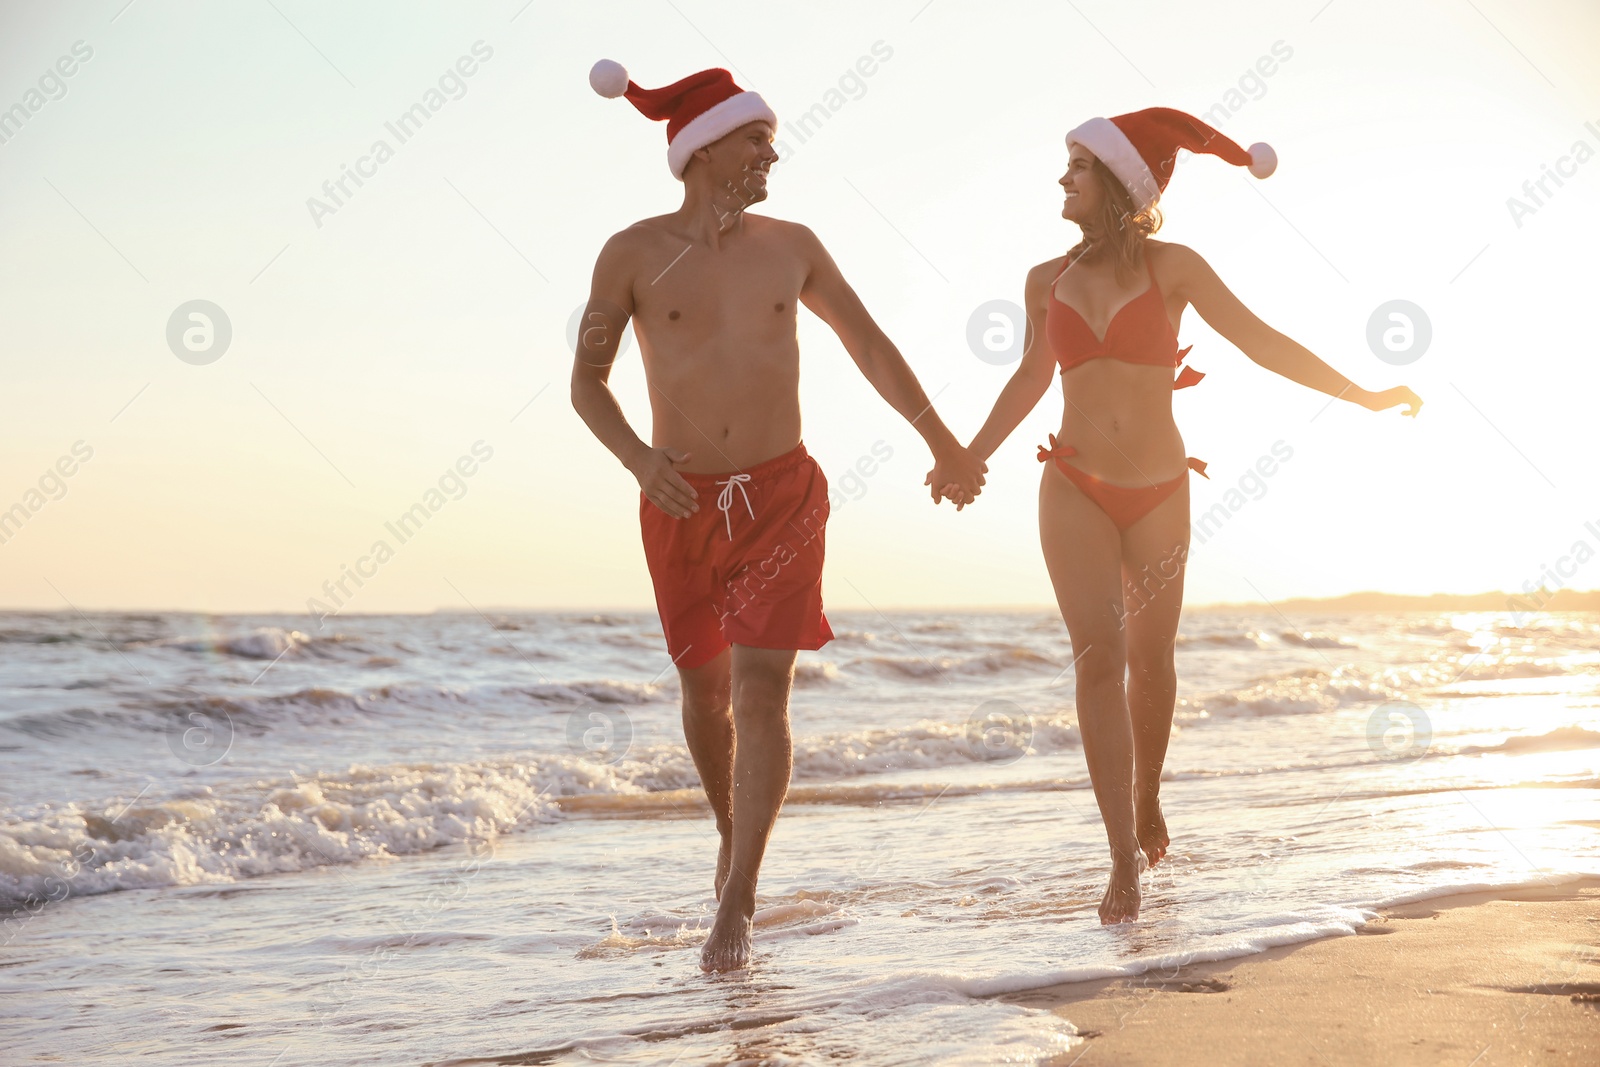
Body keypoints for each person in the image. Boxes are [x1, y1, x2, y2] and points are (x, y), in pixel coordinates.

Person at [939, 108, 1421, 923]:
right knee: (1098, 659)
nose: (1062, 178)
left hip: (1162, 489)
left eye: (1079, 167)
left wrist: (1366, 396)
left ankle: (1148, 795)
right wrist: (968, 453)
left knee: (1152, 661)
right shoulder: (1042, 281)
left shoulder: (1175, 270)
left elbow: (1263, 342)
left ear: (1121, 185)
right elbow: (1030, 379)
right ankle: (1122, 854)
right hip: (1074, 486)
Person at [571, 60, 986, 970]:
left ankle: (738, 900)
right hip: (679, 502)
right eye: (758, 138)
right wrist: (640, 460)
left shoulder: (793, 245)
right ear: (705, 147)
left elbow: (870, 344)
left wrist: (943, 443)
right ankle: (733, 834)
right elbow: (586, 384)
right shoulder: (629, 254)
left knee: (763, 691)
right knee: (705, 696)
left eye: (768, 138)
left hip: (783, 498)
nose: (772, 152)